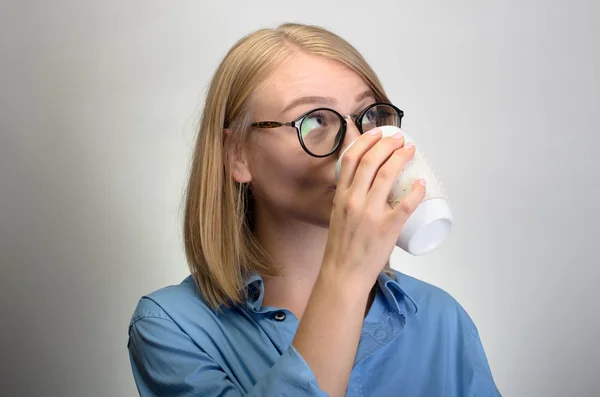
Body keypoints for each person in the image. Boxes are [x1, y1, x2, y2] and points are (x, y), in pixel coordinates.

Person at [127, 23, 501, 397]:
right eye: (315, 119)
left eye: (369, 116)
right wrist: (347, 276)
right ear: (237, 155)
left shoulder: (440, 318)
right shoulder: (173, 327)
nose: (356, 146)